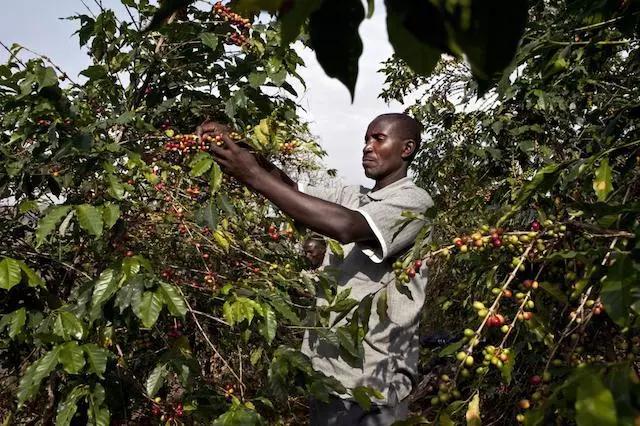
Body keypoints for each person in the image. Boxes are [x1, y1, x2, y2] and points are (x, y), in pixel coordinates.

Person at [197, 113, 433, 425]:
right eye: (366, 139)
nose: (367, 146)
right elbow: (292, 189)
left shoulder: (414, 203)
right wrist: (239, 146)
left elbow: (345, 226)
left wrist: (252, 174)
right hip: (328, 377)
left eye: (378, 139)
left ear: (407, 149)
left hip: (373, 382)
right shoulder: (355, 196)